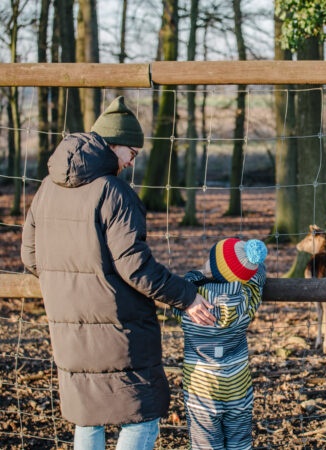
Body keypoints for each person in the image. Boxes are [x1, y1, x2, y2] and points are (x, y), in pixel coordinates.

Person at [20, 96, 215, 450]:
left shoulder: (46, 189)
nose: (130, 161)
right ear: (113, 144)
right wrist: (186, 297)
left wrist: (71, 283)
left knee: (87, 414)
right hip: (119, 326)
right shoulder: (114, 193)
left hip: (67, 323)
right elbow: (134, 265)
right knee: (143, 414)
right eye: (131, 152)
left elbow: (30, 255)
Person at [174, 237, 268, 450]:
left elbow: (177, 297)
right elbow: (258, 279)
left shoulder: (191, 304)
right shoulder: (246, 301)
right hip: (238, 388)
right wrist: (253, 263)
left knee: (206, 444)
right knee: (239, 443)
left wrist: (197, 276)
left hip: (201, 389)